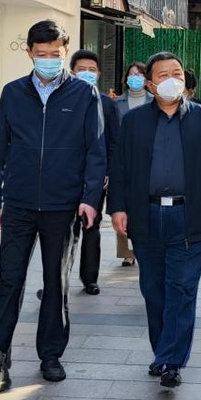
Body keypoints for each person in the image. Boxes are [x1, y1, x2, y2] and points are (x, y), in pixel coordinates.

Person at [0, 20, 105, 392]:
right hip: (18, 203)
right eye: (41, 53)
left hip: (62, 206)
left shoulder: (84, 94)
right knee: (9, 281)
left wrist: (89, 199)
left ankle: (50, 355)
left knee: (55, 282)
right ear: (29, 52)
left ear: (65, 51)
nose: (48, 59)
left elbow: (96, 151)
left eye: (55, 54)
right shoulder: (13, 92)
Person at [108, 51, 201, 388]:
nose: (172, 79)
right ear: (150, 84)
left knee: (182, 289)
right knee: (154, 290)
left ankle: (172, 361)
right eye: (163, 75)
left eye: (176, 73)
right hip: (146, 216)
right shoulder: (134, 121)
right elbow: (120, 167)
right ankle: (162, 351)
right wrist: (118, 208)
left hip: (188, 215)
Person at [71, 49, 119, 296]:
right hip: (66, 177)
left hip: (95, 178)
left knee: (92, 226)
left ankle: (90, 277)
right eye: (81, 70)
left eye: (91, 70)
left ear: (99, 74)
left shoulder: (107, 104)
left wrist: (108, 171)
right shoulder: (62, 101)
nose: (87, 74)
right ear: (72, 72)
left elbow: (114, 142)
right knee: (63, 230)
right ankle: (57, 279)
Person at [113, 62, 151, 267]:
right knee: (124, 206)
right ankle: (127, 252)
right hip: (124, 160)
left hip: (148, 160)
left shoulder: (154, 101)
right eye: (131, 74)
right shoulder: (117, 102)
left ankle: (146, 248)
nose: (135, 78)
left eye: (139, 74)